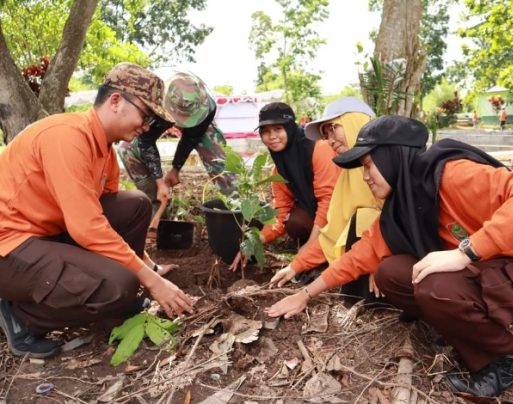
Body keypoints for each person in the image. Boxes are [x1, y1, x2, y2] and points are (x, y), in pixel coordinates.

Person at [266, 115, 513, 397]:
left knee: (436, 287)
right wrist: (304, 294)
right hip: (499, 270)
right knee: (392, 273)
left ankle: (507, 358)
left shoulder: (453, 175)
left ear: (392, 157)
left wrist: (467, 251)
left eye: (369, 165)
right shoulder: (402, 206)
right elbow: (359, 256)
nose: (366, 177)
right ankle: (468, 332)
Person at [0, 62, 194, 359]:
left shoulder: (104, 150)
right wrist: (149, 280)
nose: (145, 127)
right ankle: (20, 316)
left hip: (45, 235)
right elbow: (87, 228)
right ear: (116, 101)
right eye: (146, 115)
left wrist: (148, 267)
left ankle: (114, 296)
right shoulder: (66, 136)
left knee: (136, 205)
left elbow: (106, 219)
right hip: (10, 246)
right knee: (120, 286)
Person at [269, 97, 383, 302]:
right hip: (367, 255)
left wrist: (383, 256)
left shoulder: (390, 165)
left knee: (364, 218)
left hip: (407, 258)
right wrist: (295, 266)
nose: (329, 139)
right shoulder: (349, 174)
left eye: (333, 128)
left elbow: (403, 223)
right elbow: (333, 233)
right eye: (325, 133)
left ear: (355, 122)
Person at [229, 102, 340, 271]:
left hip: (341, 212)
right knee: (295, 222)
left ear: (290, 128)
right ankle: (317, 248)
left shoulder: (318, 148)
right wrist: (255, 242)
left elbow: (328, 200)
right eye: (265, 131)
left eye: (278, 129)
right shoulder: (278, 167)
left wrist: (311, 246)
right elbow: (281, 211)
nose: (272, 136)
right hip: (317, 213)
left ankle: (324, 249)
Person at [117, 71, 236, 220]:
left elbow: (192, 137)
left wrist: (176, 168)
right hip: (159, 115)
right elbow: (145, 141)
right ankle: (159, 206)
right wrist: (160, 182)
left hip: (196, 123)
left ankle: (237, 206)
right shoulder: (152, 100)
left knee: (216, 150)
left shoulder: (207, 106)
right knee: (127, 148)